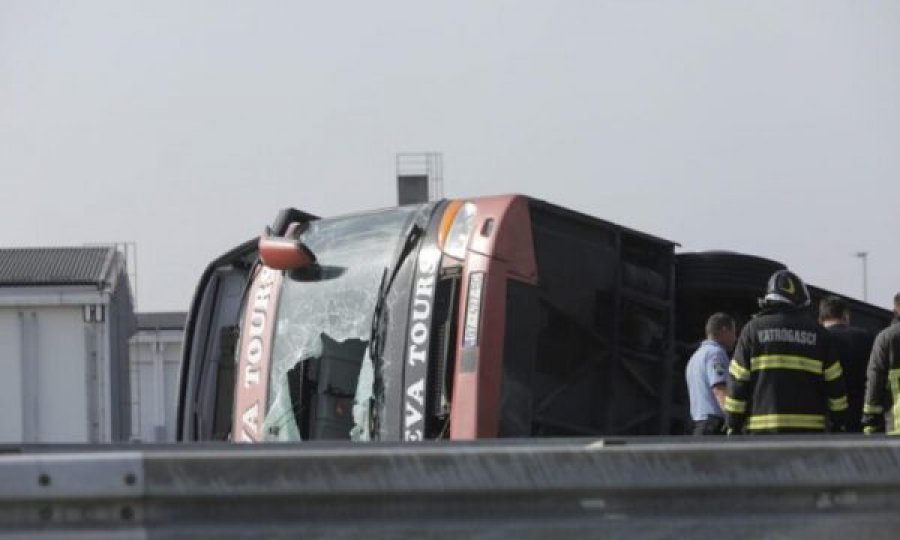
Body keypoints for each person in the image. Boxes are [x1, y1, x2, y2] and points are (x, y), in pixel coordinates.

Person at [725, 270, 848, 434]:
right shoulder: (819, 334)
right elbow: (835, 385)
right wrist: (839, 422)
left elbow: (738, 381)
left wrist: (732, 423)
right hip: (809, 433)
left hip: (762, 433)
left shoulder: (752, 330)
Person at [818, 296, 875, 432]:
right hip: (859, 417)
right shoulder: (866, 337)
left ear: (820, 319)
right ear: (846, 316)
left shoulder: (819, 339)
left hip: (828, 419)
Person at [685, 313, 737, 435]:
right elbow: (719, 389)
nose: (735, 338)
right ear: (724, 330)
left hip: (698, 424)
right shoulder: (716, 354)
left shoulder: (696, 356)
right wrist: (733, 420)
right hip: (713, 426)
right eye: (734, 332)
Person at [861, 293, 900, 434]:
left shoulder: (887, 338)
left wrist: (870, 423)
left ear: (896, 308)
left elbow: (875, 382)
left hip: (897, 428)